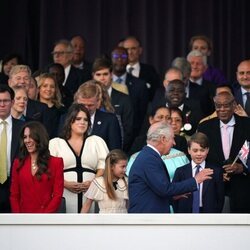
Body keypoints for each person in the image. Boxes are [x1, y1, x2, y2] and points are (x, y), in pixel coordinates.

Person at [128, 122, 214, 213]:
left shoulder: (149, 156)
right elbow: (165, 189)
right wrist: (196, 180)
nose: (174, 143)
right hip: (148, 220)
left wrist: (172, 196)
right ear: (163, 139)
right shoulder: (149, 159)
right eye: (173, 138)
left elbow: (155, 192)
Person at [49, 103, 109, 213]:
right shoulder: (55, 143)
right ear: (70, 121)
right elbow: (49, 170)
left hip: (91, 195)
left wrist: (94, 183)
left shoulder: (96, 141)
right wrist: (64, 183)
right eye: (78, 119)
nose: (82, 122)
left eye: (86, 120)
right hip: (63, 194)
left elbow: (104, 165)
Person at [198, 91, 250, 213]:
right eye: (218, 106)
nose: (222, 109)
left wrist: (243, 168)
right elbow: (199, 157)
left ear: (234, 105)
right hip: (213, 187)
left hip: (242, 188)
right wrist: (217, 174)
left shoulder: (248, 125)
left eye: (226, 105)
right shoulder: (204, 127)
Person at [10, 121, 64, 213]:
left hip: (46, 218)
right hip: (23, 219)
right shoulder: (18, 163)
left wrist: (43, 219)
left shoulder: (56, 162)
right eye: (25, 137)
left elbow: (57, 195)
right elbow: (14, 195)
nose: (27, 140)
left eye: (31, 136)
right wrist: (18, 219)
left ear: (40, 138)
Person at [173, 132, 224, 213]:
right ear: (189, 150)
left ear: (207, 150)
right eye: (195, 150)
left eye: (202, 150)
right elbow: (174, 197)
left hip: (209, 215)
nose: (199, 154)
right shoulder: (180, 172)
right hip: (185, 215)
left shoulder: (216, 172)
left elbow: (220, 198)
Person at [92, 56, 134, 151]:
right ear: (93, 76)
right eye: (98, 75)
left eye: (105, 74)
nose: (102, 78)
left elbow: (128, 130)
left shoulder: (124, 99)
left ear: (111, 75)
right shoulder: (87, 100)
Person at [111, 46, 149, 137]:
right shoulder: (103, 83)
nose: (120, 59)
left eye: (123, 57)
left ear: (128, 60)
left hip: (133, 136)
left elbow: (143, 114)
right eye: (116, 56)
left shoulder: (139, 85)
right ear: (111, 59)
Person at [74, 80, 122, 150]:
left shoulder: (110, 120)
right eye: (82, 105)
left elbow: (115, 151)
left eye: (90, 105)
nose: (86, 108)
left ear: (98, 102)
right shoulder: (66, 118)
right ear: (77, 101)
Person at [0, 84, 24, 212]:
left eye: (6, 101)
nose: (2, 104)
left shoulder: (23, 128)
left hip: (16, 185)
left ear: (13, 102)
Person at [81, 149, 128, 213]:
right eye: (122, 167)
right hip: (104, 221)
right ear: (111, 166)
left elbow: (129, 205)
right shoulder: (98, 182)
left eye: (126, 166)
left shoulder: (126, 181)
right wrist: (81, 222)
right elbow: (87, 205)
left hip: (122, 220)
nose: (125, 170)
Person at [122, 36, 161, 101]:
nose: (129, 52)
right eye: (126, 49)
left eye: (133, 48)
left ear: (140, 50)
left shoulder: (150, 71)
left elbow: (155, 94)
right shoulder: (117, 72)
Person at [37, 73, 66, 138]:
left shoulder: (62, 110)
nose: (48, 89)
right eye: (45, 86)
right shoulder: (33, 108)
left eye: (52, 86)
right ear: (39, 88)